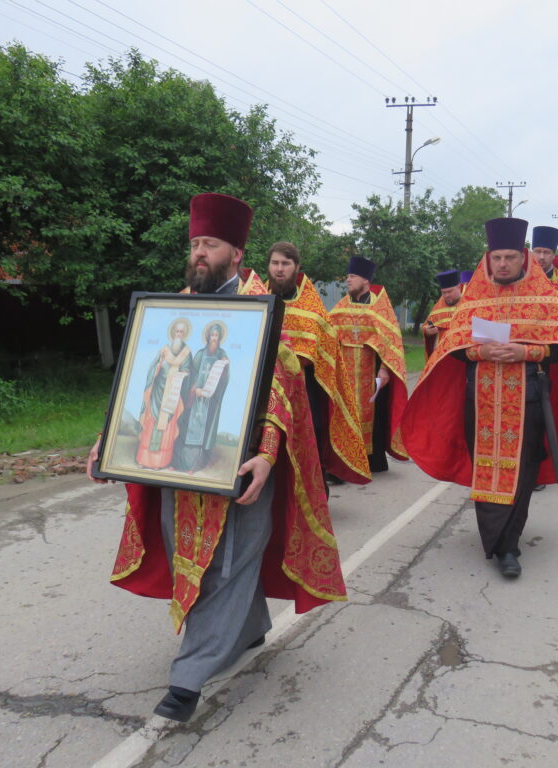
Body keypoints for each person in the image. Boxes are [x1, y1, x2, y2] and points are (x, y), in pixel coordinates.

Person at [93, 193, 346, 724]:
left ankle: (187, 680)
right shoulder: (176, 309)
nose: (198, 253)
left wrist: (268, 454)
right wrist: (108, 438)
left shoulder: (259, 306)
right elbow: (142, 378)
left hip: (241, 462)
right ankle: (251, 626)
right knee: (196, 554)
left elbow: (282, 389)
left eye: (209, 244)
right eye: (194, 245)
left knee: (225, 562)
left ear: (236, 252)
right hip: (175, 456)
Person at [401, 217, 558, 578]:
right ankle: (492, 535)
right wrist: (481, 354)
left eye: (510, 257)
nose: (503, 264)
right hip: (482, 398)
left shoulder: (544, 298)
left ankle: (509, 545)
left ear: (524, 259)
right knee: (485, 466)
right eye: (497, 258)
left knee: (522, 473)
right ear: (488, 260)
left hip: (529, 399)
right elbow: (454, 348)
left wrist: (525, 352)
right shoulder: (474, 297)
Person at [266, 241, 371, 485]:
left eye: (285, 263)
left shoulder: (311, 307)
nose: (279, 269)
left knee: (307, 452)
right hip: (263, 391)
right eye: (275, 263)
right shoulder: (257, 298)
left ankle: (315, 501)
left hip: (304, 392)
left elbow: (317, 353)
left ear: (296, 267)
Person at [328, 256, 409, 472]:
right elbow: (328, 332)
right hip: (344, 370)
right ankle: (344, 459)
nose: (348, 281)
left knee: (373, 414)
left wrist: (384, 369)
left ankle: (371, 460)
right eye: (348, 277)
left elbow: (391, 340)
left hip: (370, 369)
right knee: (343, 413)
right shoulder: (342, 305)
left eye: (352, 276)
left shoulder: (379, 306)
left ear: (365, 280)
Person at [135, 317, 194, 470]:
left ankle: (159, 462)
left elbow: (189, 372)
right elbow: (153, 368)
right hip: (157, 392)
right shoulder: (164, 350)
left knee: (167, 426)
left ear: (185, 334)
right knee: (151, 423)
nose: (179, 334)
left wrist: (182, 374)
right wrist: (158, 367)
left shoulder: (186, 353)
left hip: (173, 394)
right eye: (177, 331)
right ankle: (145, 460)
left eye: (182, 331)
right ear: (172, 332)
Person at [172, 321, 230, 472]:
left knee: (202, 432)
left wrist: (225, 367)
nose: (214, 338)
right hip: (195, 398)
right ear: (207, 336)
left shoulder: (222, 355)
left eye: (217, 335)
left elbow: (225, 378)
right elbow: (192, 374)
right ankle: (178, 464)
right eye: (212, 335)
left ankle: (194, 465)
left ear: (220, 337)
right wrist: (194, 389)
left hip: (209, 401)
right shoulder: (200, 354)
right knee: (187, 428)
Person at [422, 269, 462, 358]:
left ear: (459, 287)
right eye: (443, 292)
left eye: (450, 291)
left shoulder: (468, 303)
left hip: (463, 356)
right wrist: (427, 332)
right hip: (442, 356)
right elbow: (426, 327)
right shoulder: (439, 306)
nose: (446, 295)